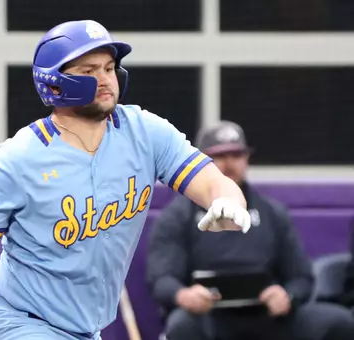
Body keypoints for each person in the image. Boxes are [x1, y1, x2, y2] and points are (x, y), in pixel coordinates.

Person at [0, 20, 252, 340]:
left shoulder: (145, 131)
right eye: (88, 71)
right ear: (53, 82)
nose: (105, 79)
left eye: (108, 68)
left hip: (85, 331)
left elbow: (213, 181)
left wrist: (228, 202)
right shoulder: (18, 158)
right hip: (18, 326)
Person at [146, 121, 354, 340]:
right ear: (200, 162)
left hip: (267, 316)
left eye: (236, 155)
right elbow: (162, 279)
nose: (229, 163)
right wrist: (184, 295)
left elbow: (301, 277)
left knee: (337, 322)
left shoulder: (272, 212)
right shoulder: (178, 216)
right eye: (219, 156)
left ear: (246, 158)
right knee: (182, 326)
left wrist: (287, 296)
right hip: (208, 317)